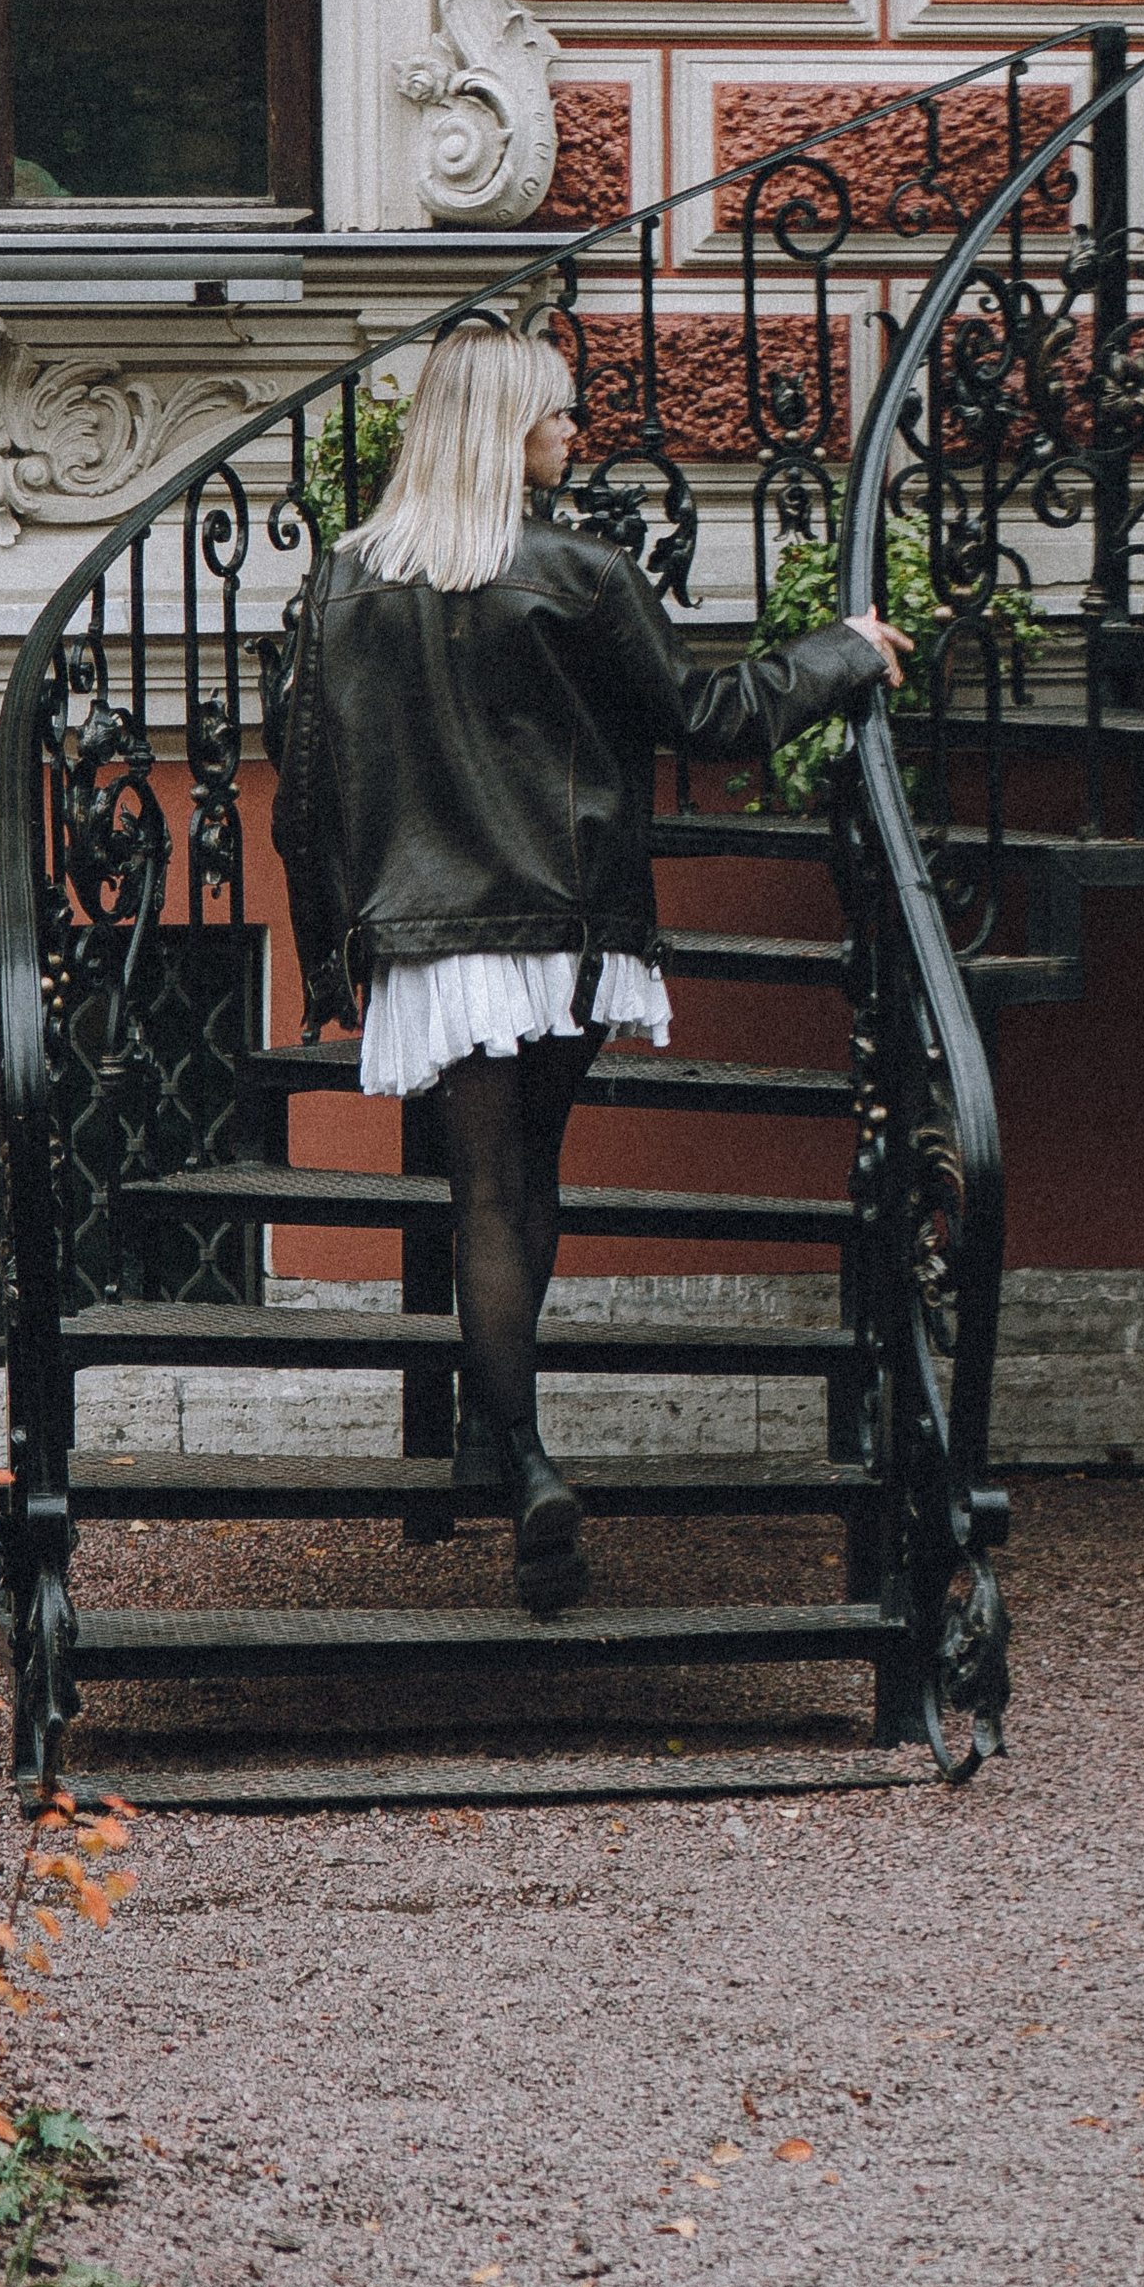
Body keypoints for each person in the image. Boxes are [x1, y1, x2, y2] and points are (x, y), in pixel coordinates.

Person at [276, 322, 910, 1612]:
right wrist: (847, 651)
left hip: (431, 940)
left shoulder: (344, 586)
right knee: (532, 1186)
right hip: (560, 929)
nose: (577, 434)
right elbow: (708, 719)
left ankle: (507, 1443)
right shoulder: (579, 572)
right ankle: (519, 1453)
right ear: (510, 431)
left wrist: (333, 963)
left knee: (483, 1198)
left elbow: (306, 795)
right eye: (560, 415)